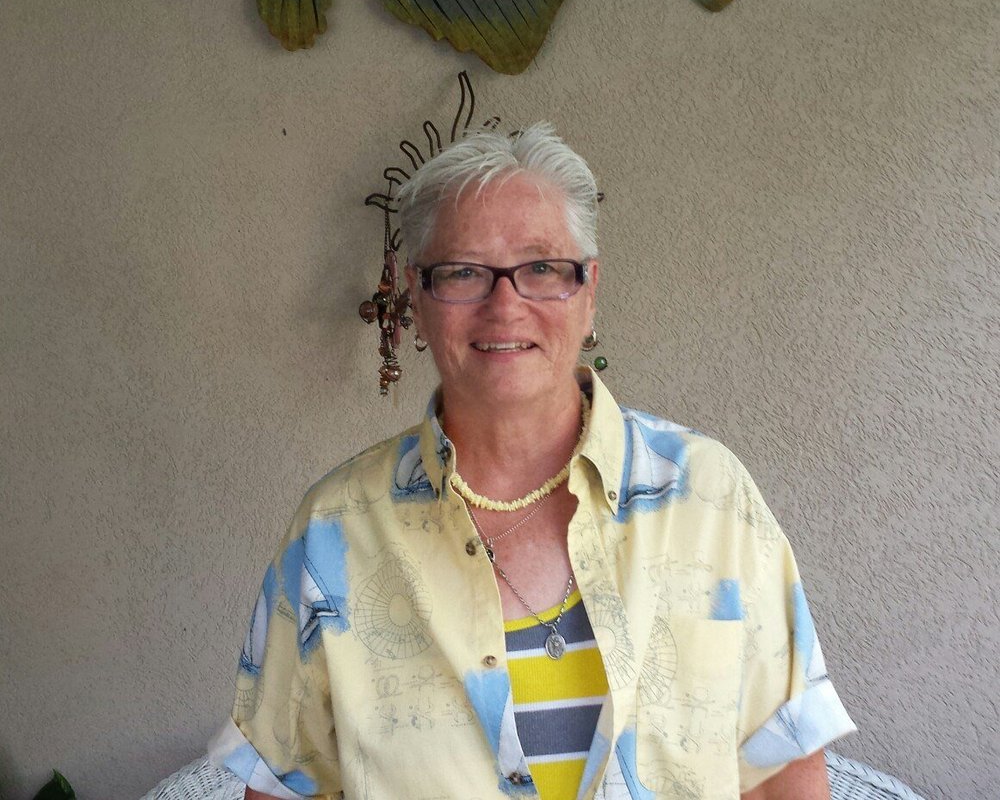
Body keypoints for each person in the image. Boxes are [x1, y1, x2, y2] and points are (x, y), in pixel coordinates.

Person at [209, 124, 855, 799]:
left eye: (542, 267)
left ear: (589, 290)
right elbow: (283, 788)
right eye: (463, 272)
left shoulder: (709, 497)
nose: (505, 305)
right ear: (417, 300)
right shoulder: (333, 533)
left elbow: (783, 772)